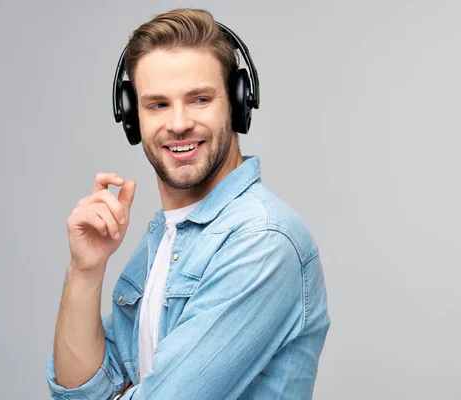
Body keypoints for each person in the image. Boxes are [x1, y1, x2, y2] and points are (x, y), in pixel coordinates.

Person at [46, 8, 330, 400]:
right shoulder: (165, 237)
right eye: (157, 105)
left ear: (237, 102)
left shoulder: (264, 241)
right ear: (131, 117)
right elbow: (78, 392)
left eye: (199, 99)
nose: (178, 123)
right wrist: (85, 270)